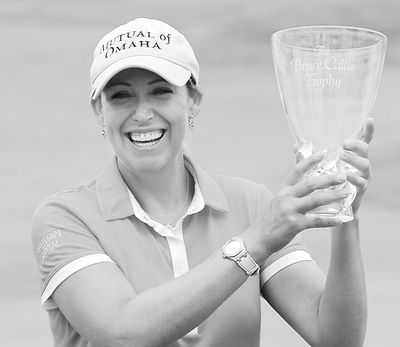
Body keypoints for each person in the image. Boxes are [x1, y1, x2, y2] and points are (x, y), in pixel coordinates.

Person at [31, 18, 372, 347]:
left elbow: (336, 339)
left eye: (161, 92)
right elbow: (123, 332)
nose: (142, 113)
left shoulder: (250, 204)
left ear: (193, 101)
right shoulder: (64, 218)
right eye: (120, 96)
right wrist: (254, 243)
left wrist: (345, 212)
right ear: (98, 110)